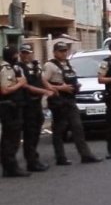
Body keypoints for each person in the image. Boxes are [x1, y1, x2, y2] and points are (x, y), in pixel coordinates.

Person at [43, 41, 101, 165]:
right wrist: (59, 88)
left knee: (77, 127)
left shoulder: (68, 64)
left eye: (65, 51)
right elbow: (43, 82)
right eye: (60, 51)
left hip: (70, 99)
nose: (63, 53)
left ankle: (86, 155)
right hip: (59, 100)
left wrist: (76, 86)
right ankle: (60, 158)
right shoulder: (50, 65)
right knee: (60, 129)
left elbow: (72, 79)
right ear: (54, 52)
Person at [17, 44, 54, 172]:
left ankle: (34, 158)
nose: (26, 55)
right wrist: (43, 91)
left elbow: (41, 79)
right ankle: (31, 162)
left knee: (36, 131)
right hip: (28, 104)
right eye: (23, 53)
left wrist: (51, 88)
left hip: (36, 103)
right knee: (30, 134)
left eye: (28, 53)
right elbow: (25, 86)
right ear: (20, 54)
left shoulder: (35, 65)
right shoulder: (19, 68)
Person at [0, 45, 30, 177]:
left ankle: (10, 166)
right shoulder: (6, 68)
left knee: (11, 137)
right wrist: (20, 84)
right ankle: (11, 167)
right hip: (9, 107)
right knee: (11, 138)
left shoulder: (9, 67)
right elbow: (5, 90)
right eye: (16, 54)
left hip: (11, 107)